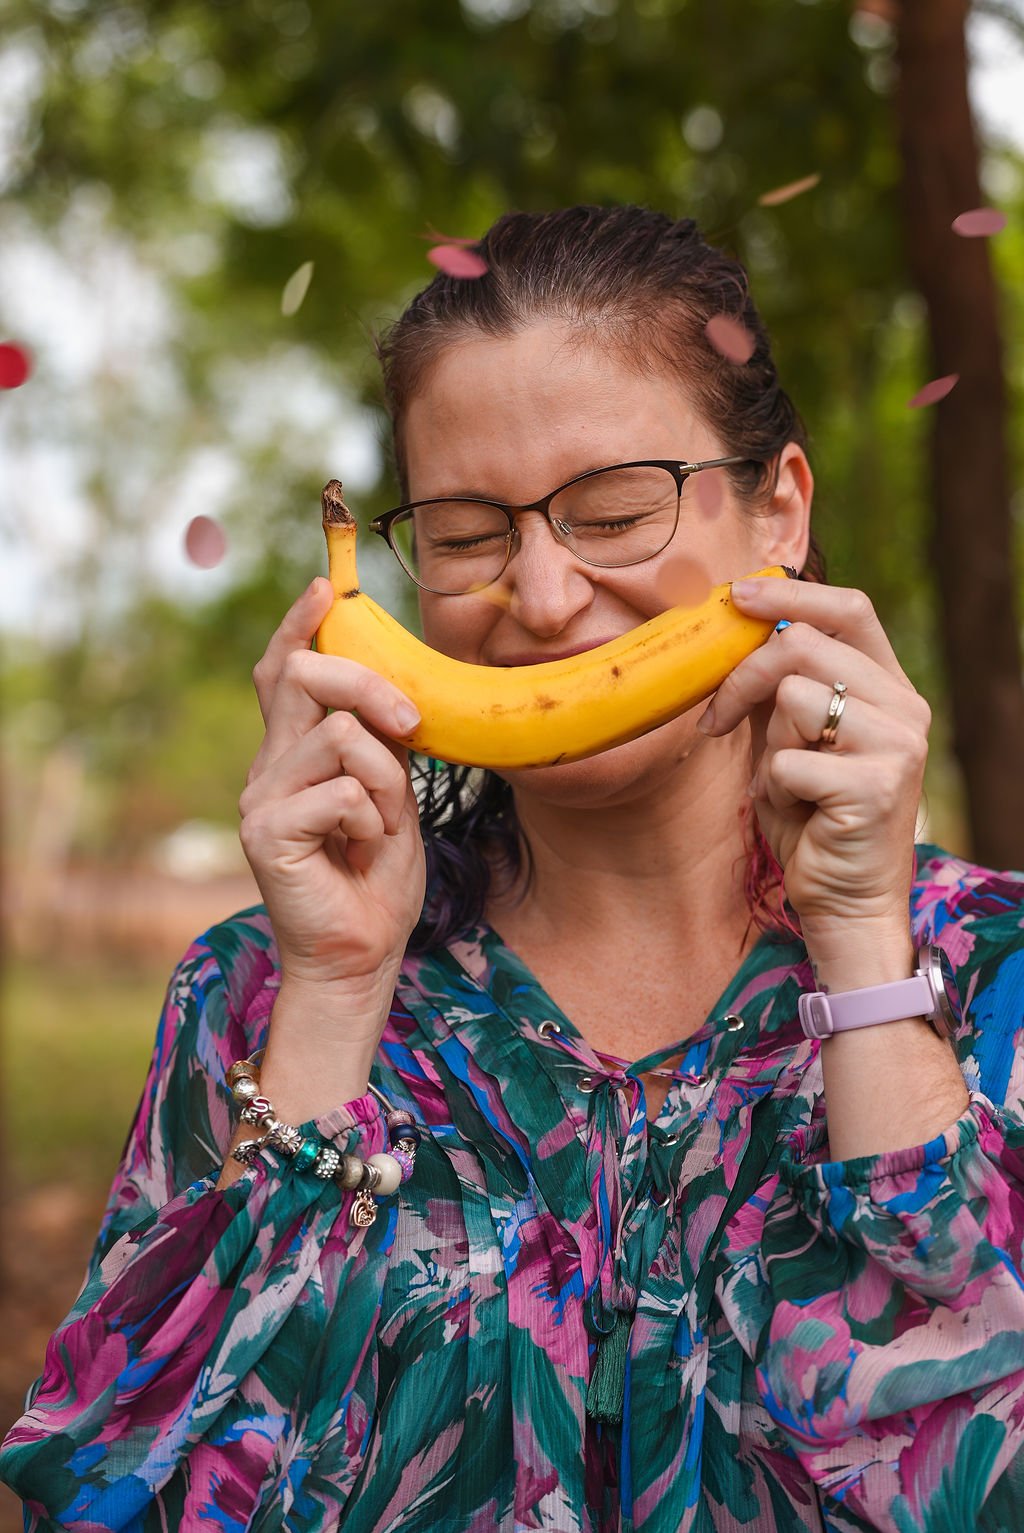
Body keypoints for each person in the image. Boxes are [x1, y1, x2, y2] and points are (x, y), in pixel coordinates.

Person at [3, 204, 1024, 1532]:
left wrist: (863, 948)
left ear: (778, 509)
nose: (542, 598)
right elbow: (112, 1504)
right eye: (470, 532)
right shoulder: (256, 986)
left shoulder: (988, 971)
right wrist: (334, 990)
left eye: (614, 508)